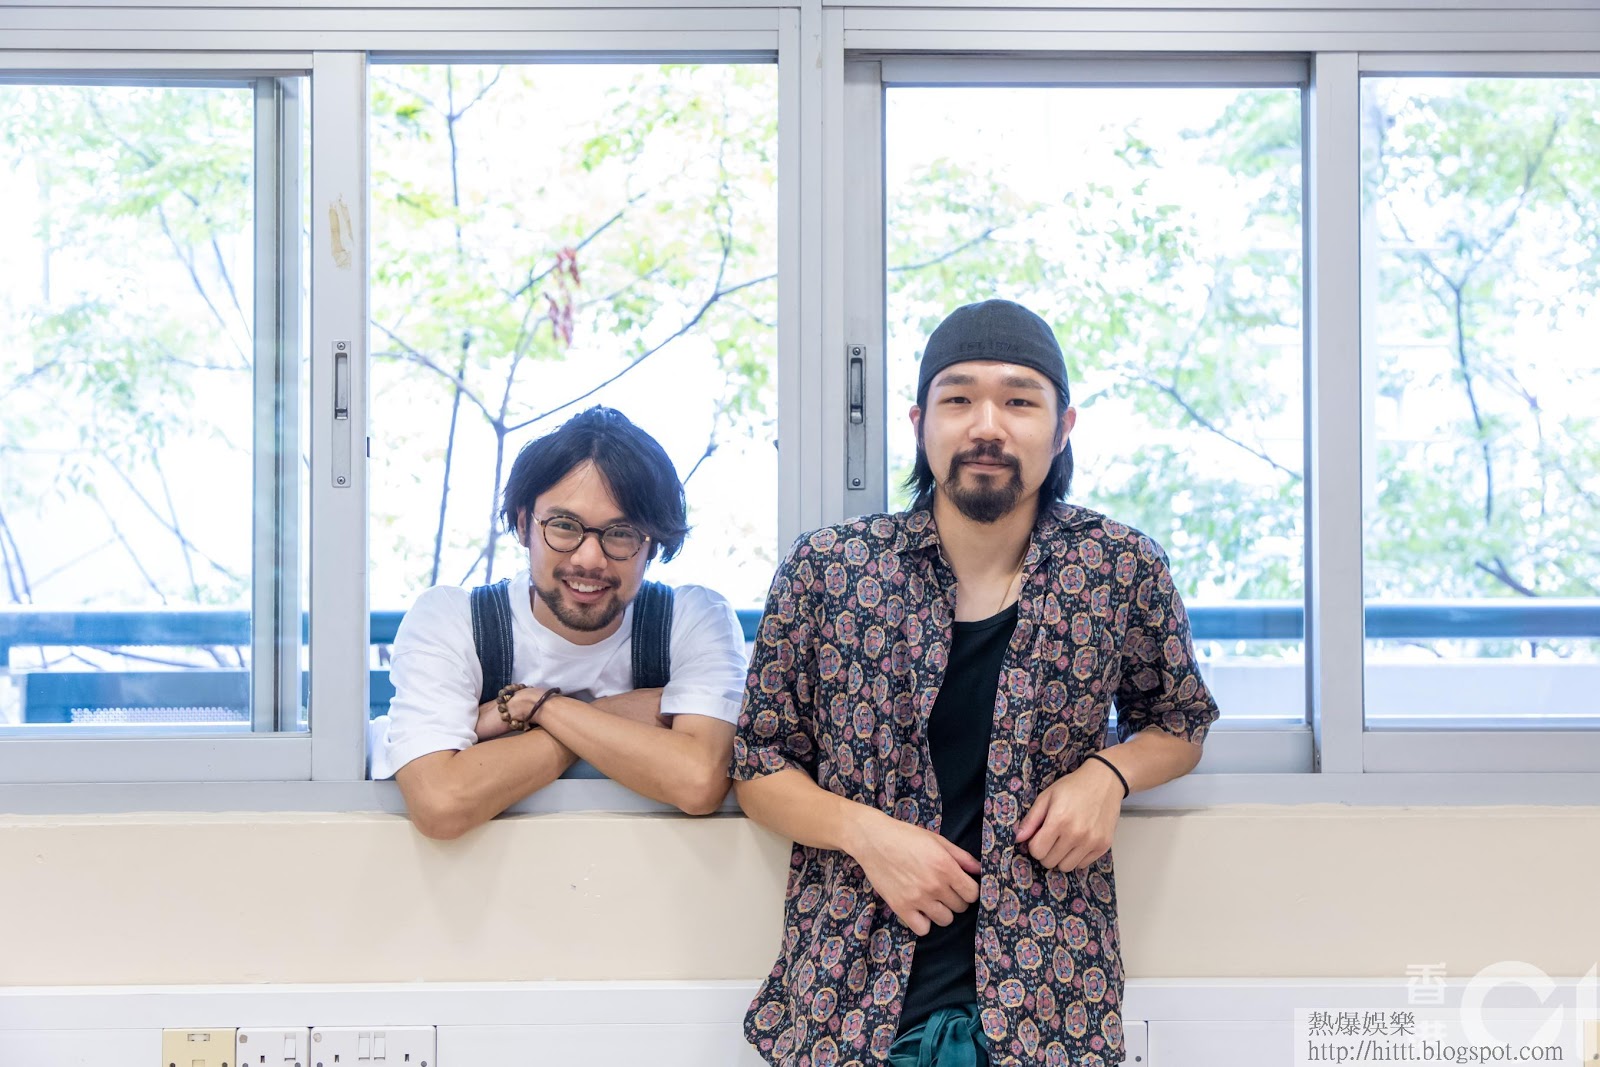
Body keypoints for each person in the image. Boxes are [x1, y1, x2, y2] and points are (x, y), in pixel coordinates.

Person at [730, 299, 1220, 1067]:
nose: (986, 425)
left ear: (1062, 427)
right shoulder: (828, 569)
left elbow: (1181, 721)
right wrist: (866, 833)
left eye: (1019, 401)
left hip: (1049, 1009)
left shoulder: (1119, 567)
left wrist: (1109, 773)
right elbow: (758, 762)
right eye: (958, 399)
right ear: (920, 422)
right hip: (847, 1007)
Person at [373, 406, 748, 838]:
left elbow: (698, 782)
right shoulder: (453, 620)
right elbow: (441, 805)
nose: (589, 558)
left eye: (621, 533)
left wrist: (537, 707)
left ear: (653, 544)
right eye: (565, 526)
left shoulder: (693, 620)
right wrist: (609, 714)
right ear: (523, 525)